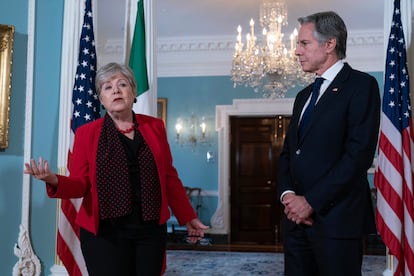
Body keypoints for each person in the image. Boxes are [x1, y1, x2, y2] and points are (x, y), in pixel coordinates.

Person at [24, 62, 209, 275]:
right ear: (102, 99)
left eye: (122, 84)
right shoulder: (87, 133)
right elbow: (80, 184)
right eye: (108, 87)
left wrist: (188, 217)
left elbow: (168, 176)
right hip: (104, 233)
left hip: (149, 230)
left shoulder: (154, 127)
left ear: (133, 92)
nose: (116, 90)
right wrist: (53, 180)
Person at [277, 11, 380, 276]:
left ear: (329, 44)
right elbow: (289, 153)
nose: (296, 51)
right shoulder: (303, 96)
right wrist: (288, 196)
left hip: (337, 222)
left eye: (304, 43)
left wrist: (310, 201)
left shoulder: (361, 85)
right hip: (296, 223)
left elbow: (358, 155)